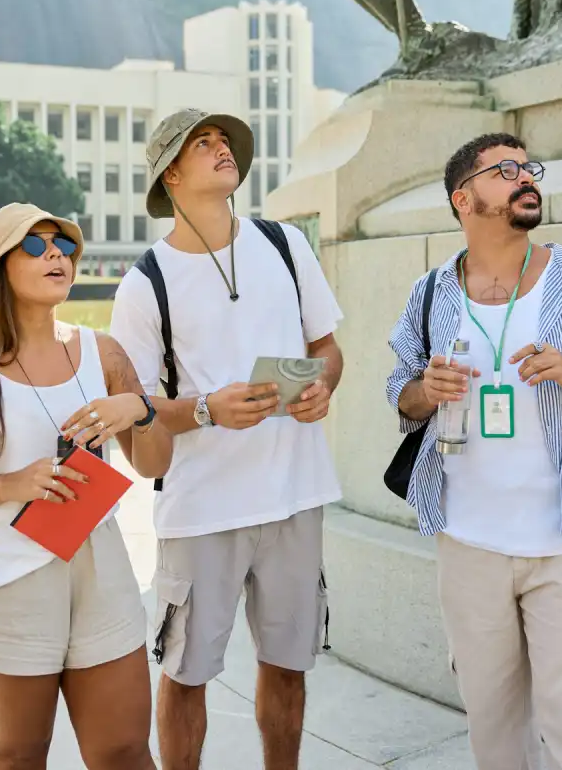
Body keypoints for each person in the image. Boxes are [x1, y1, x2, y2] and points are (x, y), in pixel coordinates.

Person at [385, 132, 562, 770]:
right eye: (505, 171)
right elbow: (401, 394)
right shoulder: (431, 293)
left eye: (528, 167)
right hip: (468, 542)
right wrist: (425, 390)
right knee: (494, 734)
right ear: (463, 198)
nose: (526, 177)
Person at [0, 202, 173, 770]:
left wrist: (139, 411)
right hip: (3, 574)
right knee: (18, 755)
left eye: (65, 246)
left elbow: (155, 463)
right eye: (35, 245)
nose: (56, 255)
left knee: (124, 752)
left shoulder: (104, 354)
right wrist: (10, 485)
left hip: (98, 567)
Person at [109, 108, 345, 770]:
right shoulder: (144, 283)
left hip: (295, 494)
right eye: (202, 143)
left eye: (225, 141)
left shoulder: (285, 245)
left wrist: (322, 386)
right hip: (202, 507)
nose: (223, 149)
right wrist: (206, 410)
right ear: (171, 175)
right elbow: (135, 408)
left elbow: (327, 349)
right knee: (186, 673)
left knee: (289, 667)